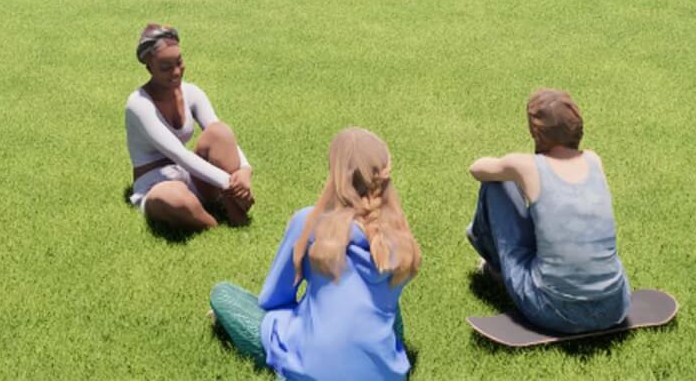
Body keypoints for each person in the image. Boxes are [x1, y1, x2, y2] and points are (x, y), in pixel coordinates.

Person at [209, 127, 419, 381]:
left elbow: (271, 300)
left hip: (310, 369)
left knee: (224, 295)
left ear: (335, 174)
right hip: (388, 375)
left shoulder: (309, 221)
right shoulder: (400, 239)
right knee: (387, 302)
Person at [466, 88, 631, 335]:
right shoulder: (594, 160)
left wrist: (510, 171)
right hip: (615, 305)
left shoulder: (525, 165)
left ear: (536, 131)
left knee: (495, 186)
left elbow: (476, 168)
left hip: (553, 310)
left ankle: (494, 267)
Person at [125, 23, 253, 233]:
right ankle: (213, 225)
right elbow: (178, 154)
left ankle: (234, 212)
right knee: (174, 199)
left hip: (191, 176)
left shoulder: (192, 93)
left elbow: (221, 134)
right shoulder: (138, 105)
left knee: (220, 132)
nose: (176, 72)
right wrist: (229, 183)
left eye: (179, 62)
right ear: (149, 67)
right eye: (166, 67)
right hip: (157, 186)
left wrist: (245, 170)